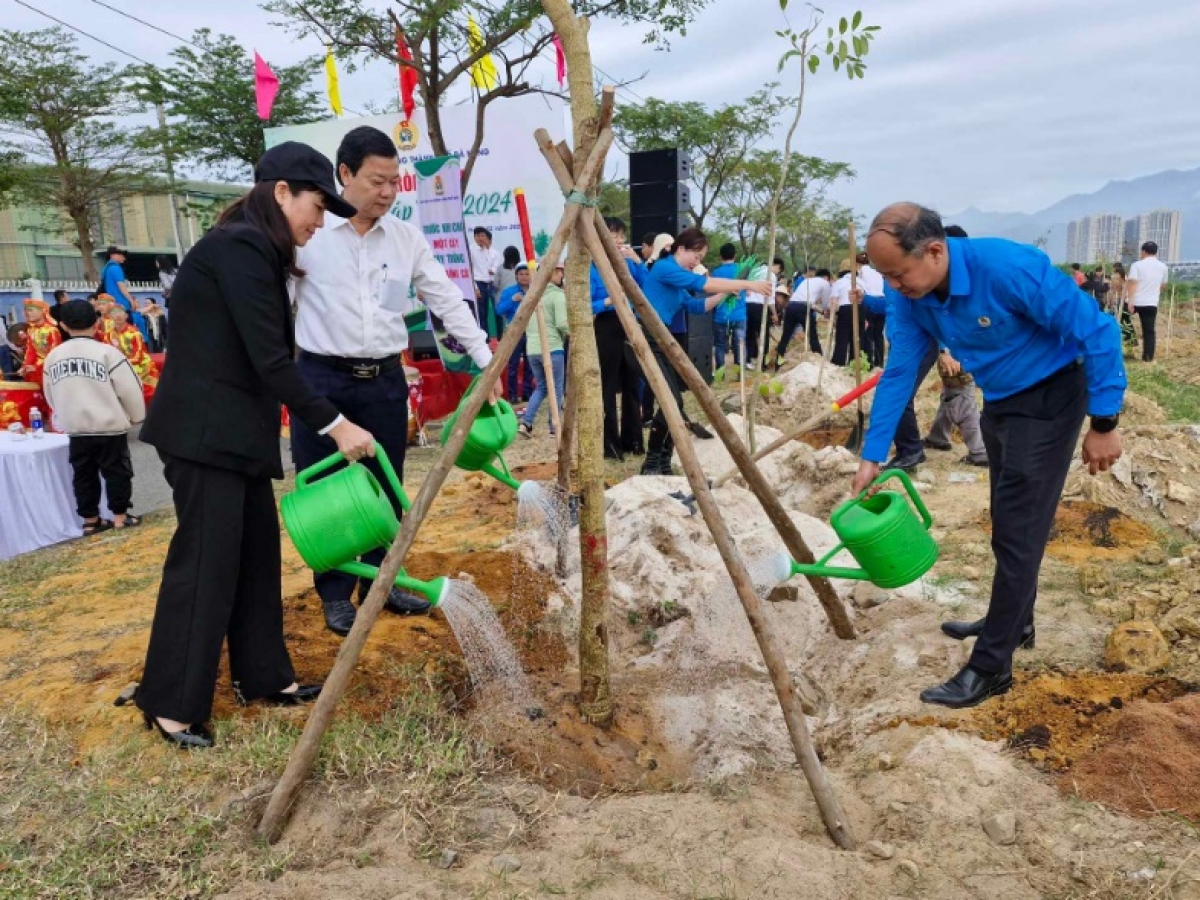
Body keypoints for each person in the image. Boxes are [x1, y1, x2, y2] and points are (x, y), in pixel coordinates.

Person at [136, 141, 374, 748]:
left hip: (233, 435)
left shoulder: (254, 248)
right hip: (205, 434)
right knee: (205, 566)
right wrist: (337, 424)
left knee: (255, 559)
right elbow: (271, 360)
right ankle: (169, 704)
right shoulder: (240, 247)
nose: (318, 224)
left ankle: (264, 678)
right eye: (317, 208)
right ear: (281, 193)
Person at [854, 202, 1125, 709]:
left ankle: (991, 665)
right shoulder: (911, 296)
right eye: (884, 276)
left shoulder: (1007, 268)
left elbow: (1099, 331)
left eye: (898, 273)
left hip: (1052, 397)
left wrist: (1104, 422)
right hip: (1000, 400)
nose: (894, 285)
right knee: (1006, 521)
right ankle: (1016, 620)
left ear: (934, 250)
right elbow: (900, 370)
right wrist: (873, 453)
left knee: (1020, 530)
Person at [290, 126, 497, 637]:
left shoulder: (405, 238)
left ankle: (384, 582)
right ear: (344, 175)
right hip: (320, 378)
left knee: (385, 483)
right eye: (375, 180)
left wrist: (485, 360)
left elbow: (445, 299)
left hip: (382, 378)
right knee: (331, 490)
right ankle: (336, 594)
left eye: (394, 181)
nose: (387, 192)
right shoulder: (308, 239)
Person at [640, 228, 771, 475]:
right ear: (680, 249)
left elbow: (698, 306)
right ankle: (651, 463)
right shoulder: (665, 269)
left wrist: (725, 293)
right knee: (673, 402)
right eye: (696, 257)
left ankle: (662, 463)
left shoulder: (677, 278)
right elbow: (704, 283)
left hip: (659, 338)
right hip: (644, 338)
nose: (697, 263)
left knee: (674, 403)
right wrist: (748, 283)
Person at [41, 300, 145, 535]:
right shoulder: (107, 352)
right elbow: (129, 388)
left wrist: (64, 412)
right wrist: (136, 415)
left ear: (63, 325)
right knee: (117, 470)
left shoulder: (53, 357)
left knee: (83, 474)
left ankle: (90, 520)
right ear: (98, 322)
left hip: (77, 427)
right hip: (108, 425)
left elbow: (50, 392)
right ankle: (120, 516)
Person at [884, 224, 971, 472]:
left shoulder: (927, 279)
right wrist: (864, 299)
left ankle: (911, 451)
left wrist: (944, 350)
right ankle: (934, 439)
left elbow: (939, 316)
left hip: (920, 345)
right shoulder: (895, 279)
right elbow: (889, 308)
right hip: (899, 341)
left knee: (901, 396)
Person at [592, 217, 648, 458]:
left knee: (632, 383)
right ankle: (610, 444)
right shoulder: (591, 266)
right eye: (613, 235)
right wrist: (607, 301)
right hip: (606, 325)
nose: (618, 240)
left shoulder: (628, 263)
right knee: (607, 387)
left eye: (620, 236)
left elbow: (645, 290)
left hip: (629, 323)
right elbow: (584, 302)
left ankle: (633, 439)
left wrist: (638, 263)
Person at [519, 261, 569, 437]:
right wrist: (575, 333)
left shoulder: (532, 296)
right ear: (555, 272)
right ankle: (554, 427)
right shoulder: (557, 296)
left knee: (541, 387)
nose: (562, 276)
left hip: (532, 349)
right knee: (556, 388)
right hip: (552, 348)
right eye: (561, 272)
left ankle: (526, 423)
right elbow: (562, 324)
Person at [921, 349, 988, 466]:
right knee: (951, 394)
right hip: (959, 349)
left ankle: (979, 452)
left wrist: (946, 352)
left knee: (962, 401)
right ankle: (938, 437)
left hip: (959, 350)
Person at [496, 262, 536, 404]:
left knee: (529, 364)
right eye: (521, 274)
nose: (524, 277)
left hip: (531, 331)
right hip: (514, 332)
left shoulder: (535, 290)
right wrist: (513, 300)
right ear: (516, 276)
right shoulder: (509, 291)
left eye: (526, 274)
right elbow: (499, 310)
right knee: (513, 365)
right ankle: (512, 395)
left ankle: (527, 393)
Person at [1126, 241, 1169, 363]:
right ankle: (1148, 357)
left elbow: (1133, 283)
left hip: (1137, 301)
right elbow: (1163, 285)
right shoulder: (1163, 267)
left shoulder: (1137, 265)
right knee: (1149, 331)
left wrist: (1130, 301)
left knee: (1125, 323)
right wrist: (1154, 293)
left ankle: (1126, 347)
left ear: (1144, 251)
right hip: (1151, 302)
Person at [107, 302, 160, 399]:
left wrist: (119, 363)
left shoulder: (134, 333)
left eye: (120, 312)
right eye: (114, 312)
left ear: (126, 315)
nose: (118, 315)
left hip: (141, 369)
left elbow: (138, 357)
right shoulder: (109, 335)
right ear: (110, 316)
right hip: (120, 368)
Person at [775, 265, 825, 364]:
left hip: (792, 307)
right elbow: (811, 301)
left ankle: (778, 360)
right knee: (812, 336)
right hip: (803, 308)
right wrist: (825, 311)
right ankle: (819, 357)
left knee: (786, 336)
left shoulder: (804, 281)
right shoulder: (813, 282)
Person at [99, 246, 149, 341]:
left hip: (111, 305)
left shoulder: (105, 269)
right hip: (121, 305)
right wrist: (131, 300)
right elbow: (121, 285)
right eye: (121, 255)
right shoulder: (116, 268)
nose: (123, 258)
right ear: (112, 255)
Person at [711, 243, 745, 372]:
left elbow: (713, 292)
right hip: (739, 314)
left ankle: (720, 373)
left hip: (721, 314)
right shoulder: (742, 270)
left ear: (720, 256)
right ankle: (739, 373)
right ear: (735, 255)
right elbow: (747, 291)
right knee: (739, 344)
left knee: (719, 345)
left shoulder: (716, 272)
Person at [470, 226, 504, 338]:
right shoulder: (471, 251)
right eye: (478, 236)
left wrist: (493, 270)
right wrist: (475, 287)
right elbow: (469, 269)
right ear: (474, 238)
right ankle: (485, 338)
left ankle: (501, 336)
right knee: (482, 312)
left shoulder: (492, 252)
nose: (480, 238)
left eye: (482, 236)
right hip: (479, 283)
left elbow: (497, 266)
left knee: (498, 310)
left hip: (492, 284)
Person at [828, 259, 864, 367]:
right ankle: (855, 363)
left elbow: (833, 300)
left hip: (845, 309)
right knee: (857, 338)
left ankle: (838, 362)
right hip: (860, 309)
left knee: (842, 338)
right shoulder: (861, 282)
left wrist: (832, 317)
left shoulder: (839, 282)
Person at [20, 298, 61, 388]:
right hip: (34, 369)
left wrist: (37, 368)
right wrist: (25, 366)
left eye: (31, 310)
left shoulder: (52, 330)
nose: (27, 313)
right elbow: (31, 351)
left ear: (43, 311)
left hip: (48, 369)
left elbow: (54, 355)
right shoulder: (31, 330)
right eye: (26, 310)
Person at [857, 251, 888, 368]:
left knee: (867, 334)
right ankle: (879, 363)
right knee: (878, 335)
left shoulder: (860, 273)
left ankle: (868, 362)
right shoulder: (877, 273)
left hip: (869, 302)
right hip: (882, 302)